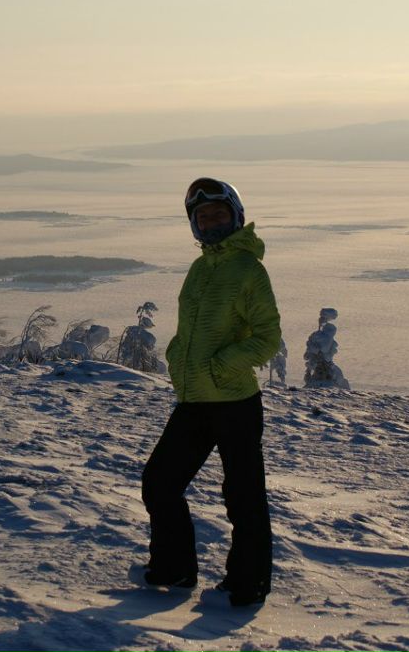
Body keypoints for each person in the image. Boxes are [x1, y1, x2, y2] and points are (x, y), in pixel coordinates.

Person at [135, 177, 282, 607]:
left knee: (243, 497)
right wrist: (179, 354)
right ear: (194, 225)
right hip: (195, 401)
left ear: (235, 216)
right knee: (159, 483)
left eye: (218, 213)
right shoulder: (201, 268)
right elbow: (190, 329)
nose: (211, 221)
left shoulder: (248, 269)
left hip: (235, 402)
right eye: (202, 216)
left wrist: (221, 366)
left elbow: (267, 339)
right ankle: (174, 568)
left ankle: (248, 584)